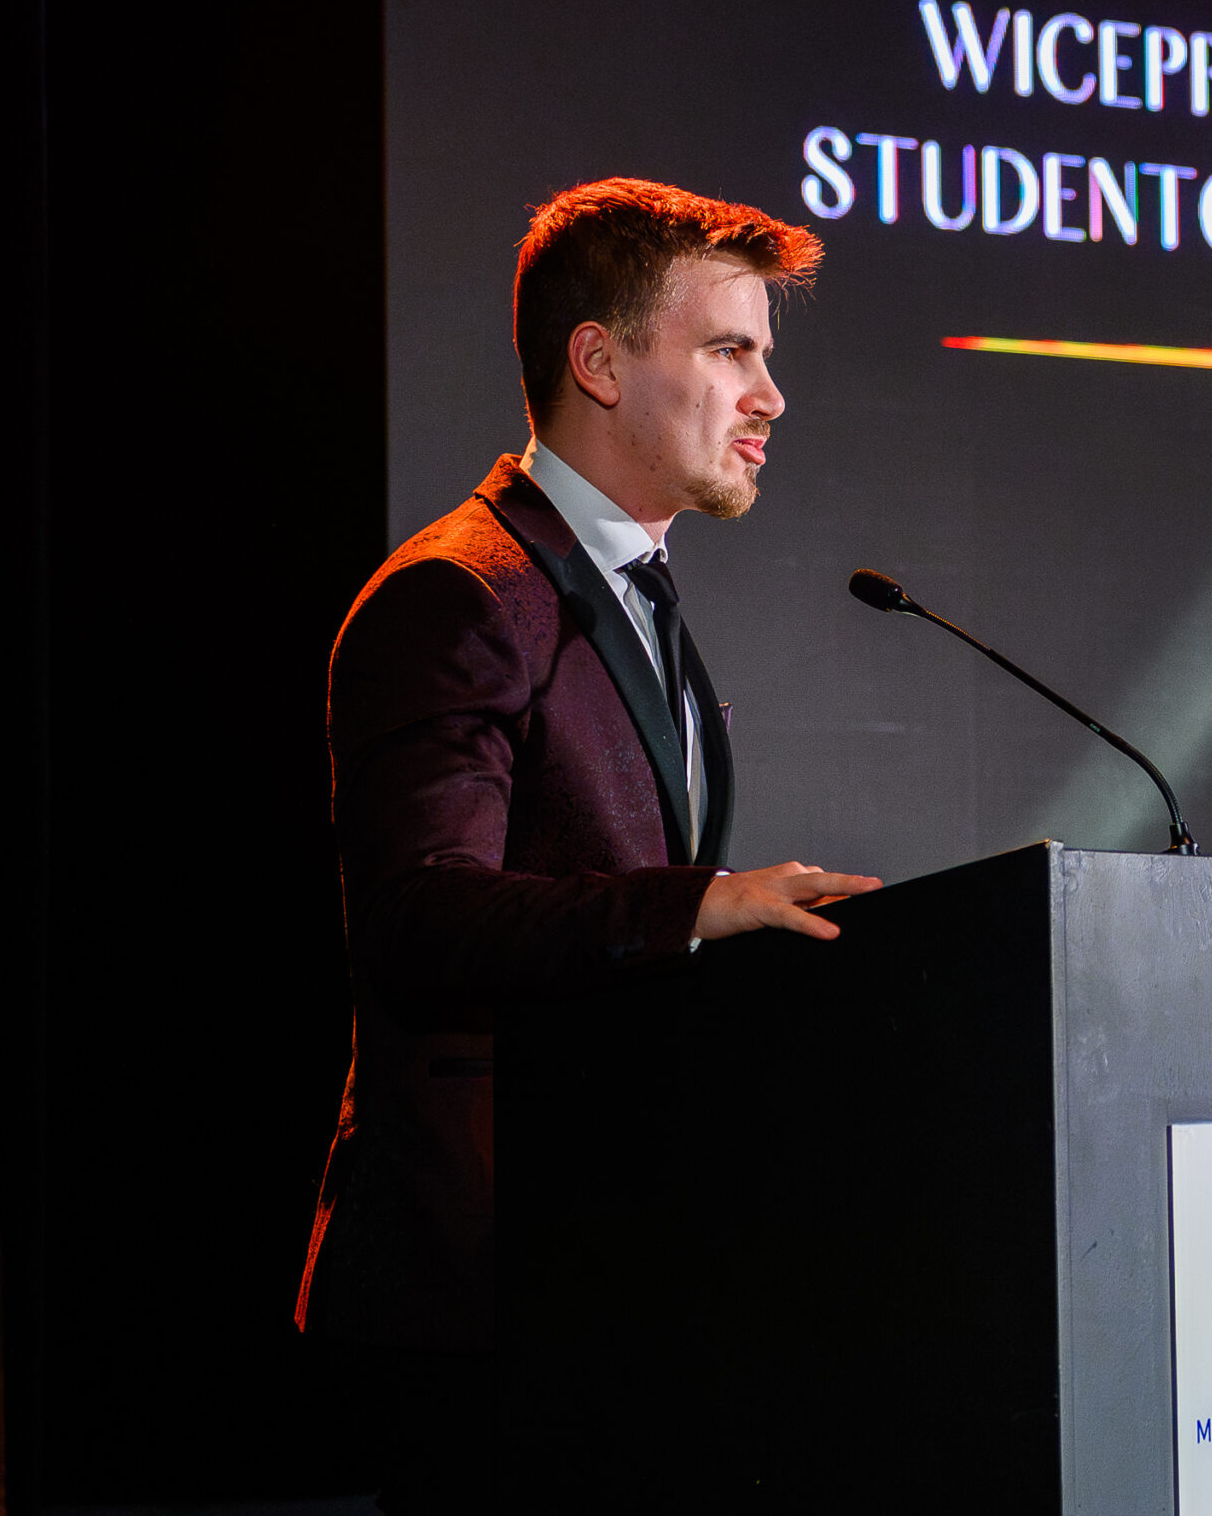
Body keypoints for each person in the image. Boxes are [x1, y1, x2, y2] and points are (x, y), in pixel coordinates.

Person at [293, 178, 878, 1511]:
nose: (771, 396)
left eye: (764, 356)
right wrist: (695, 909)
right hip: (488, 1295)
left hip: (615, 1277)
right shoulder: (459, 593)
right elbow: (421, 918)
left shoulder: (626, 597)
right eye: (729, 351)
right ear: (600, 363)